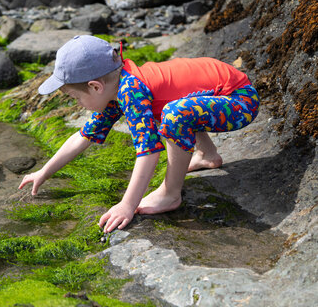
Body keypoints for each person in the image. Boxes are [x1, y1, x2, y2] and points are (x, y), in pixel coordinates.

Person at [18, 35, 259, 233]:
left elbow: (149, 152)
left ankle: (170, 193)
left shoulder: (131, 91)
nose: (78, 104)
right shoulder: (118, 87)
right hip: (220, 96)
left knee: (175, 114)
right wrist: (44, 171)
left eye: (75, 97)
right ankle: (207, 154)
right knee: (170, 108)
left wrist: (127, 204)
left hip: (239, 101)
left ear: (95, 86)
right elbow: (84, 136)